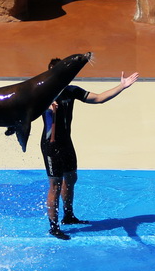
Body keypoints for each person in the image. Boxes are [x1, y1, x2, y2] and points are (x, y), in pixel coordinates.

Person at [40, 63, 138, 239]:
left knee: (71, 178)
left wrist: (122, 86)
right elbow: (29, 110)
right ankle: (54, 227)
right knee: (55, 184)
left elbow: (99, 98)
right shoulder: (43, 94)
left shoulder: (71, 91)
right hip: (51, 146)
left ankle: (68, 216)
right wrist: (47, 108)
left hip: (66, 143)